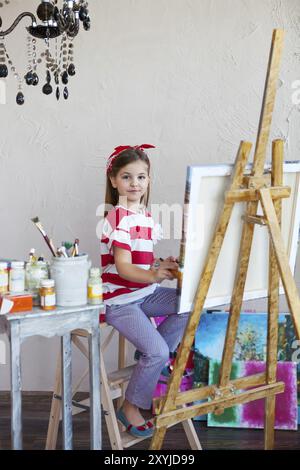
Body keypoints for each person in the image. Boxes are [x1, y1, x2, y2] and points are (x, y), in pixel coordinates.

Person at [100, 144, 190, 438]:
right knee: (159, 350)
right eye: (127, 177)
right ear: (113, 180)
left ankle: (153, 356)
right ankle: (130, 407)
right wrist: (153, 274)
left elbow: (142, 260)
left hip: (143, 295)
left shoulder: (145, 217)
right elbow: (124, 268)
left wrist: (161, 264)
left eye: (141, 177)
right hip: (120, 301)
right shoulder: (116, 219)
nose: (135, 183)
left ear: (148, 179)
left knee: (187, 304)